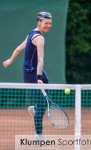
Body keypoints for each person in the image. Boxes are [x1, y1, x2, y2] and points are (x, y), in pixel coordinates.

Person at [3, 11, 52, 140]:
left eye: (50, 23)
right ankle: (39, 134)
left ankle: (35, 109)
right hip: (31, 74)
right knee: (42, 103)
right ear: (39, 22)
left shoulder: (32, 33)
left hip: (36, 71)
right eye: (46, 23)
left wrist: (10, 60)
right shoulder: (39, 38)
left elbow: (19, 49)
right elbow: (41, 59)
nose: (48, 25)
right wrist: (39, 78)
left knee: (49, 97)